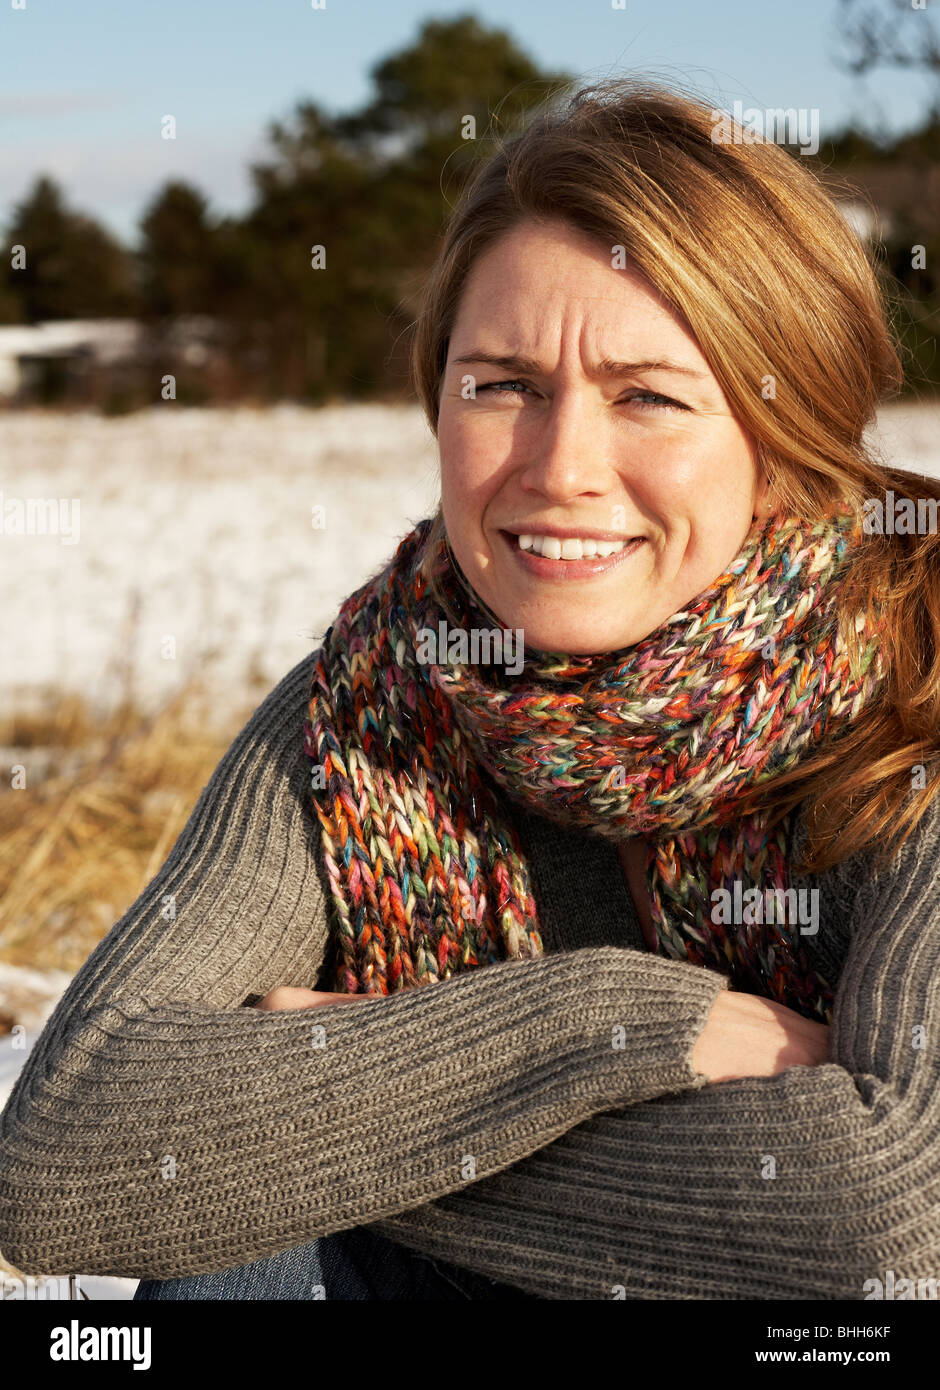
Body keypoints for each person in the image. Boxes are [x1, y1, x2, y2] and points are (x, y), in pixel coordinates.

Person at [2, 77, 940, 1302]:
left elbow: (887, 1219)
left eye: (648, 395)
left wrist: (325, 1095)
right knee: (239, 1263)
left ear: (790, 419)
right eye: (501, 384)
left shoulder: (910, 680)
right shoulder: (372, 703)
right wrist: (609, 1021)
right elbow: (67, 1159)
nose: (560, 470)